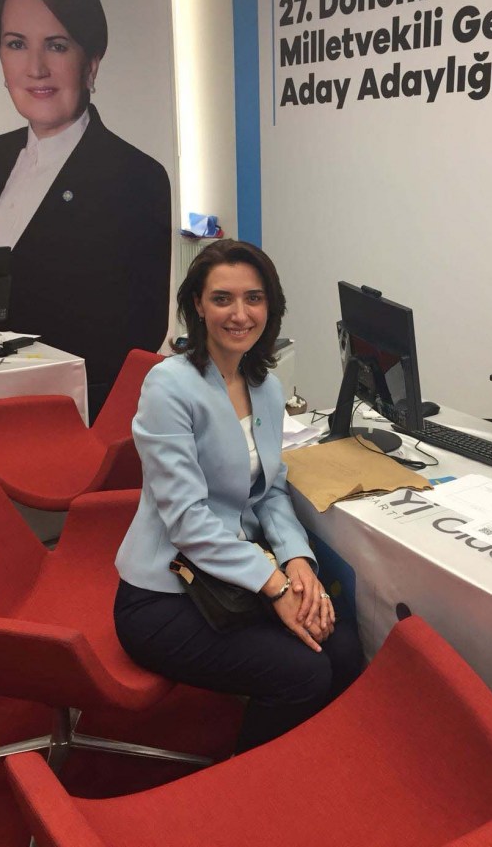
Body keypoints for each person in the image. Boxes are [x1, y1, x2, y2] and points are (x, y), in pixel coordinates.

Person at [114, 239, 363, 752]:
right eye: (222, 298)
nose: (240, 314)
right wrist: (275, 586)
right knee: (304, 672)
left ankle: (303, 763)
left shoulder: (265, 385)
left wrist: (297, 561)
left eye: (254, 298)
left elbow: (268, 491)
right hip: (166, 591)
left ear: (270, 307)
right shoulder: (169, 386)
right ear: (197, 305)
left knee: (341, 646)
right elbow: (187, 520)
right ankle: (246, 782)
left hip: (233, 576)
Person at [0, 0, 171, 419]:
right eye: (16, 44)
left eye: (56, 45)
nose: (35, 68)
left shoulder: (136, 176)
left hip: (66, 420)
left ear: (90, 64)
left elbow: (138, 336)